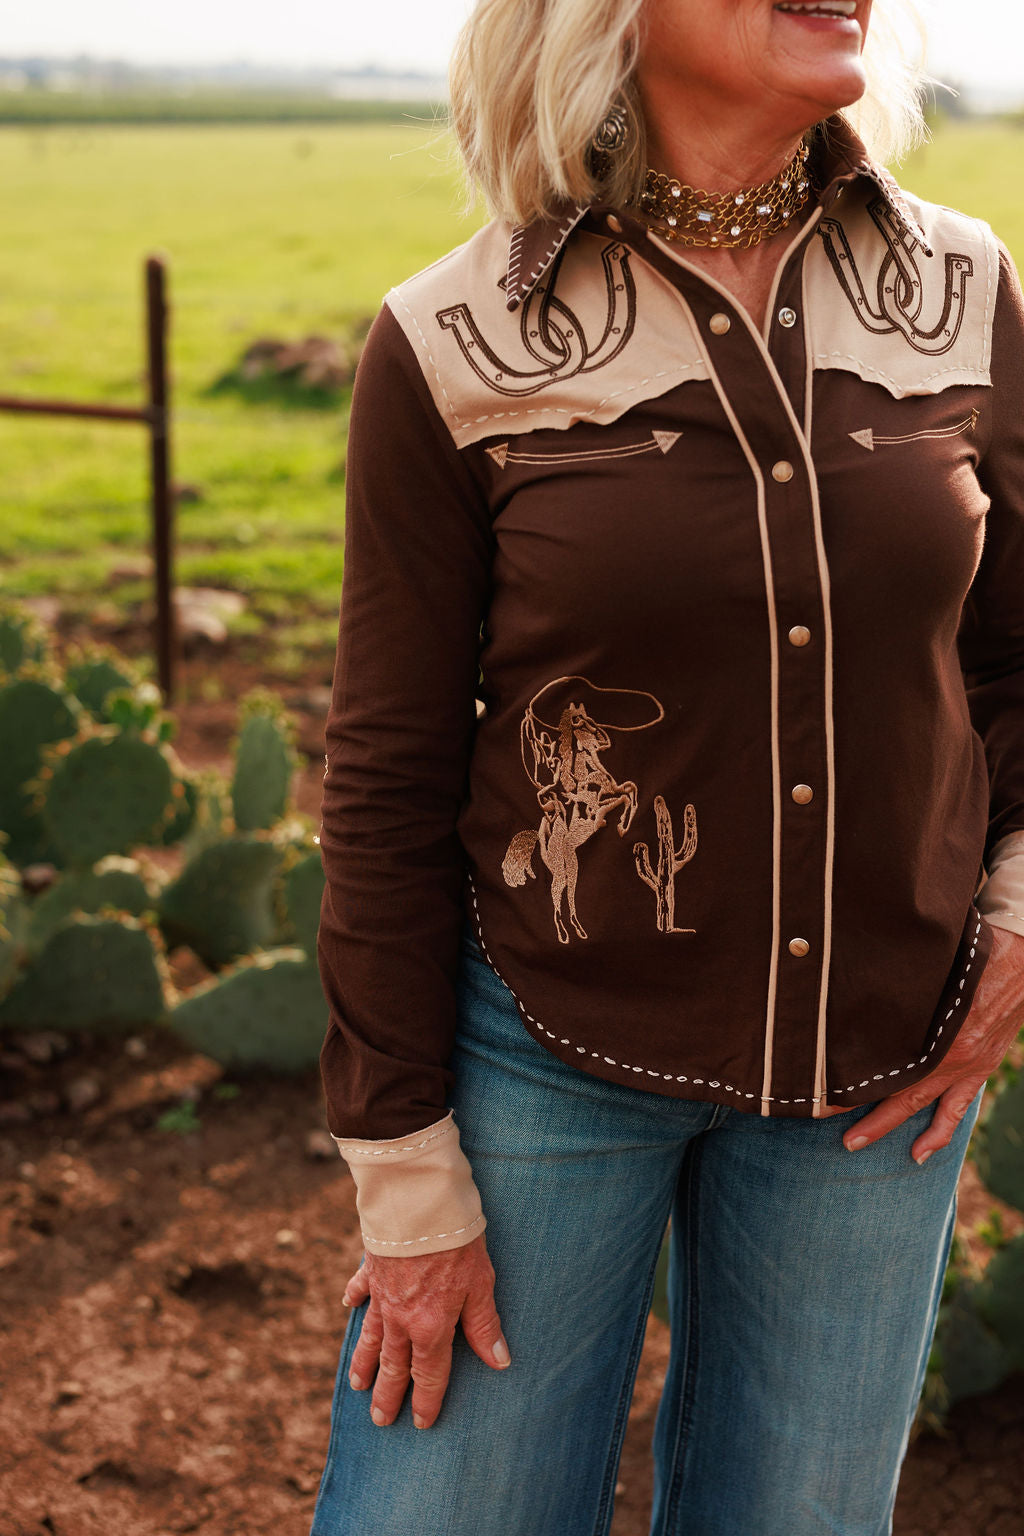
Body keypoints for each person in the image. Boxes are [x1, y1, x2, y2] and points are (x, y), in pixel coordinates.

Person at [310, 1, 1024, 1531]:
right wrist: (407, 1176)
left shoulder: (967, 292)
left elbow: (1017, 656)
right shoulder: (449, 341)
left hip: (881, 1078)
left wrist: (1023, 912)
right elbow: (383, 779)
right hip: (538, 1058)